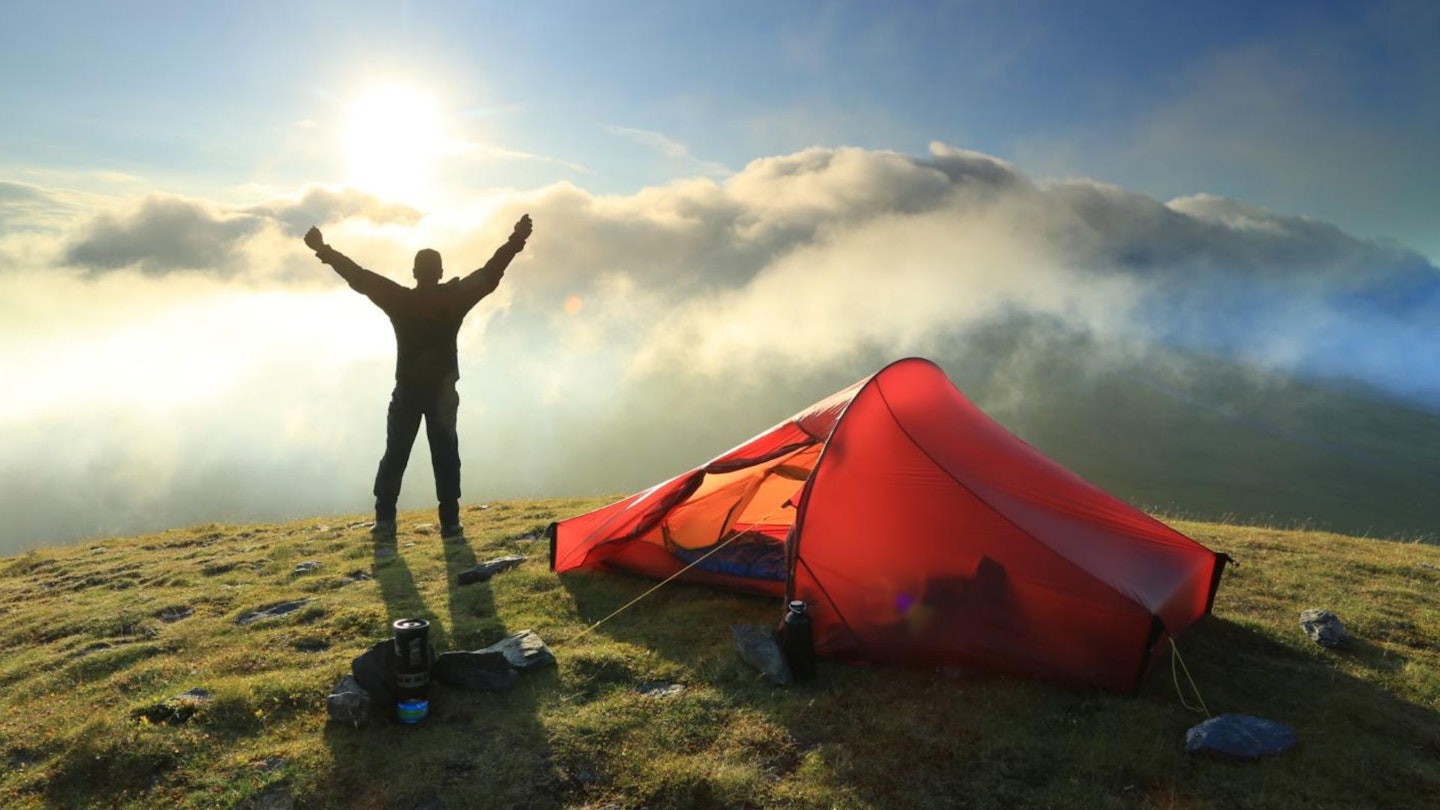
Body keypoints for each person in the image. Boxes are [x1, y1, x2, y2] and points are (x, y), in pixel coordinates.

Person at [303, 215, 533, 540]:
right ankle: (450, 523)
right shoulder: (453, 298)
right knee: (446, 454)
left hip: (408, 392)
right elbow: (490, 272)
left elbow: (359, 277)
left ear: (414, 273)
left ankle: (385, 521)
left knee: (395, 453)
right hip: (442, 394)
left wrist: (324, 249)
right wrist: (516, 239)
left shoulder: (401, 300)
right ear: (439, 272)